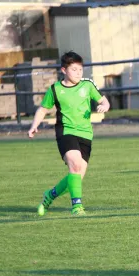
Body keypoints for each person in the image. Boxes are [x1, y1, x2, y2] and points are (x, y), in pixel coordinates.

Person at [28, 51, 110, 216]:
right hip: (65, 131)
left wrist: (105, 106)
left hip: (86, 134)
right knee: (74, 163)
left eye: (80, 69)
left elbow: (103, 100)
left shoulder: (87, 85)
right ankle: (77, 206)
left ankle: (49, 195)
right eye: (74, 70)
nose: (78, 73)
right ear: (64, 70)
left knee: (77, 176)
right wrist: (34, 125)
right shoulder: (56, 89)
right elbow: (43, 109)